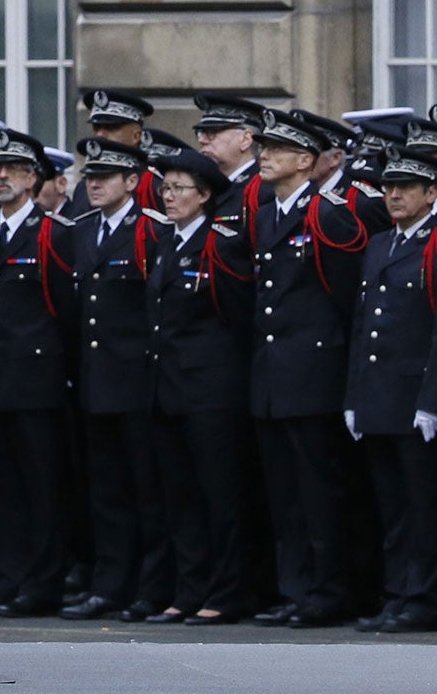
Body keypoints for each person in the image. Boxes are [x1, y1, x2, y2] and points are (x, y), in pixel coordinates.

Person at [246, 108, 382, 629]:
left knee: (320, 490)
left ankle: (330, 589)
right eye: (264, 148)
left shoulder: (327, 213)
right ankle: (296, 587)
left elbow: (348, 296)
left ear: (306, 160)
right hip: (274, 373)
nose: (265, 156)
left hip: (314, 369)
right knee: (286, 492)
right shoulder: (265, 215)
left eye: (277, 150)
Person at [344, 151, 437, 634]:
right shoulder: (378, 245)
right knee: (392, 507)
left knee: (423, 506)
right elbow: (362, 325)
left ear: (432, 192)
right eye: (389, 187)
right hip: (378, 395)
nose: (394, 195)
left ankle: (426, 595)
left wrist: (432, 401)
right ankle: (397, 592)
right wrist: (353, 396)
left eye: (407, 187)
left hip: (415, 396)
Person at [0, 130, 75, 619]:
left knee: (41, 488)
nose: (1, 177)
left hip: (37, 381)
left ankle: (42, 582)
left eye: (13, 170)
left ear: (33, 178)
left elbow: (68, 312)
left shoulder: (53, 234)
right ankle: (5, 579)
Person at [142, 146, 255, 626]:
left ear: (206, 195)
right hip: (169, 389)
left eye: (180, 189)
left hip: (211, 390)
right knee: (181, 497)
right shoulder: (167, 242)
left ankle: (225, 591)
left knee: (220, 496)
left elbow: (238, 316)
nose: (170, 197)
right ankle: (188, 589)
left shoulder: (221, 243)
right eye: (166, 188)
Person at [62, 137, 165, 623]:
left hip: (138, 381)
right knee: (105, 494)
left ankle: (150, 587)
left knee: (148, 490)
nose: (95, 184)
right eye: (90, 176)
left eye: (106, 177)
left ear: (132, 182)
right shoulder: (82, 231)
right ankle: (109, 584)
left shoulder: (150, 231)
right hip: (96, 381)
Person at [192, 94, 265, 194]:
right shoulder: (204, 186)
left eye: (212, 132)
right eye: (201, 132)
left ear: (245, 139)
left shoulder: (262, 190)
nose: (202, 140)